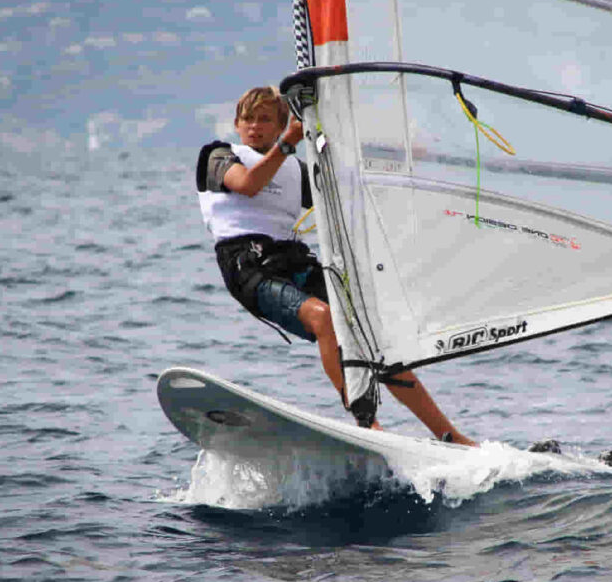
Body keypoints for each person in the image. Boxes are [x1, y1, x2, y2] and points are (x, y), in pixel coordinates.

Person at [196, 86, 476, 446]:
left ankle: (450, 435)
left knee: (372, 334)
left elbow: (347, 188)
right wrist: (289, 141)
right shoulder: (219, 155)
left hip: (289, 259)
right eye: (248, 119)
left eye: (265, 119)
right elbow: (248, 185)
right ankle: (365, 422)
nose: (255, 127)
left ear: (280, 123)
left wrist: (404, 158)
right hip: (247, 267)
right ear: (236, 123)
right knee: (324, 317)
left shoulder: (295, 170)